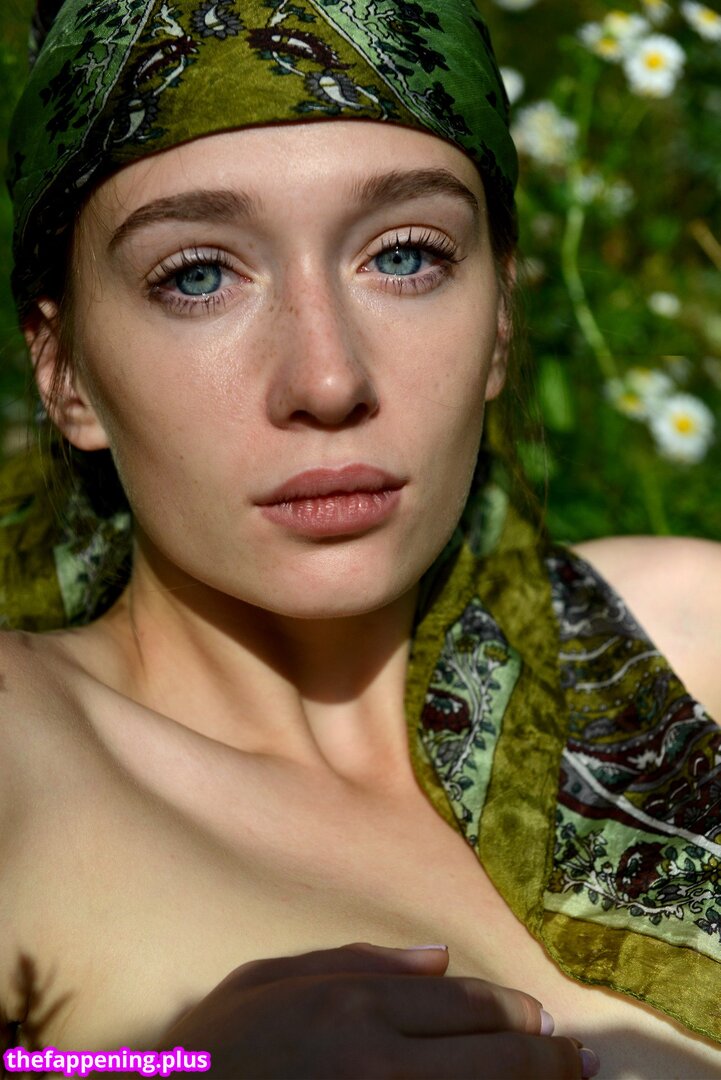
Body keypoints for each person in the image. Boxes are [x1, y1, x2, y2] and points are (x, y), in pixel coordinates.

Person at [1, 1, 720, 1077]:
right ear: (64, 374)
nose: (329, 379)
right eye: (197, 275)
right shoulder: (21, 751)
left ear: (500, 320)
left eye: (406, 256)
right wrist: (172, 1071)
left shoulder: (689, 647)